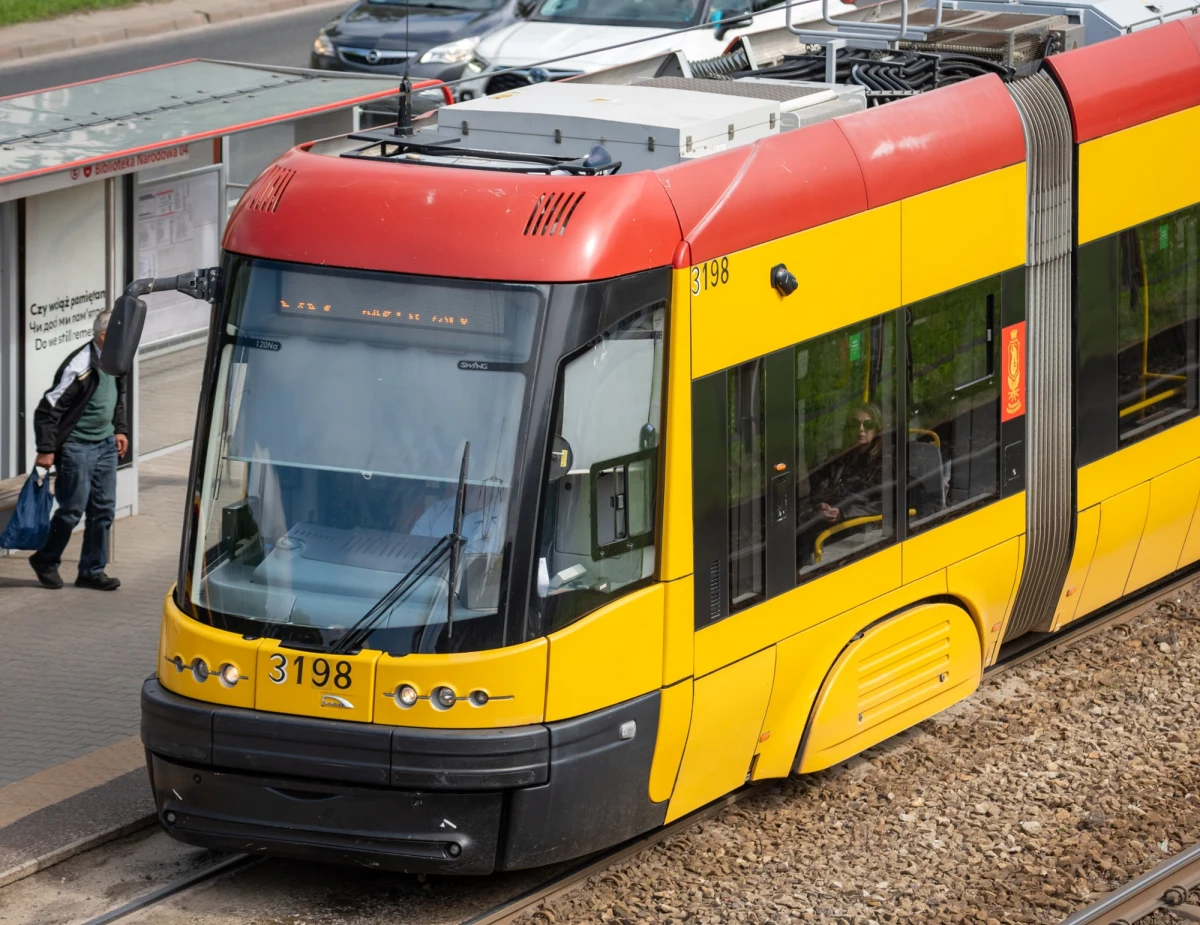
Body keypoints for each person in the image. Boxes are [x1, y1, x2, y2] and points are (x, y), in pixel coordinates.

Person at [28, 311, 129, 590]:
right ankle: (46, 560)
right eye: (120, 333)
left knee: (103, 509)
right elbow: (47, 409)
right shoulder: (81, 365)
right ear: (104, 336)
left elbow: (118, 397)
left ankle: (91, 572)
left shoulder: (117, 360)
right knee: (72, 510)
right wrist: (46, 449)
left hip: (105, 444)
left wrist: (120, 429)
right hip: (77, 446)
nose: (126, 339)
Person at [799, 402, 885, 565]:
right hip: (826, 517)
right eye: (855, 424)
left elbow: (882, 502)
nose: (860, 429)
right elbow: (820, 486)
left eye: (867, 424)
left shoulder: (885, 461)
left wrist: (842, 514)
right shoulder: (840, 457)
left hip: (857, 526)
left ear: (877, 429)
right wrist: (821, 505)